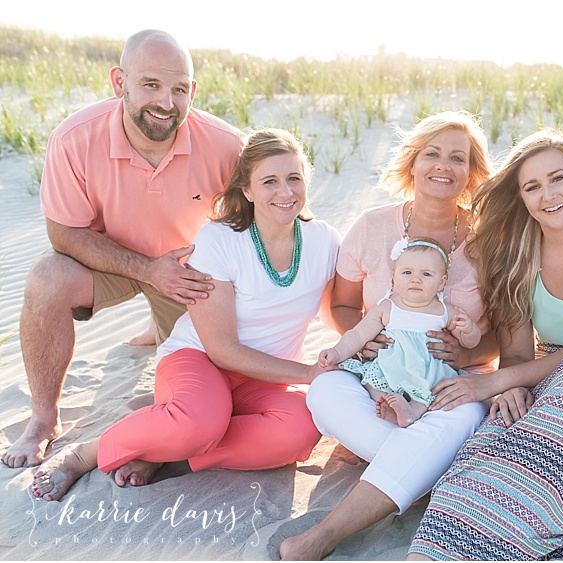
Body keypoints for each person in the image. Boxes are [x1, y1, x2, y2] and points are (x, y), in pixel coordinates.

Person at [31, 128, 340, 501]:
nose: (285, 192)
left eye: (294, 179)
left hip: (269, 374)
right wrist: (308, 374)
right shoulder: (219, 240)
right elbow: (223, 350)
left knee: (300, 431)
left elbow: (336, 309)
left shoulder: (325, 241)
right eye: (269, 181)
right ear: (247, 190)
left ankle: (172, 458)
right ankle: (89, 453)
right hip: (199, 361)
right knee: (197, 422)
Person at [407, 130, 563, 560]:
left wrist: (493, 381)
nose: (548, 195)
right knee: (499, 433)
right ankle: (439, 550)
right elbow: (517, 354)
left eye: (558, 178)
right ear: (523, 198)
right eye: (532, 187)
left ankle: (499, 545)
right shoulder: (516, 255)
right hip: (548, 380)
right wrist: (509, 386)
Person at [1, 29, 244, 469]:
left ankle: (163, 327)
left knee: (211, 390)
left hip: (185, 271)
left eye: (178, 89)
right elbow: (65, 235)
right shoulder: (74, 138)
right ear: (119, 82)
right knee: (46, 277)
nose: (166, 102)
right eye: (150, 84)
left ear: (193, 91)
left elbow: (251, 229)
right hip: (109, 258)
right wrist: (149, 270)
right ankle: (42, 419)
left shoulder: (227, 145)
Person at [279, 111, 497, 560]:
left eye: (458, 158)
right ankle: (422, 469)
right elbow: (341, 304)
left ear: (471, 173)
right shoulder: (374, 225)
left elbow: (505, 331)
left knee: (454, 419)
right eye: (432, 154)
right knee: (324, 390)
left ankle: (325, 533)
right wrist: (363, 339)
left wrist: (469, 346)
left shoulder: (489, 238)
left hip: (451, 383)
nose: (443, 165)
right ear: (412, 164)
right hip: (376, 374)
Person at [319, 236, 482, 428]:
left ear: (441, 282)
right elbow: (358, 335)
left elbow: (469, 343)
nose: (415, 279)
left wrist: (469, 329)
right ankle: (389, 405)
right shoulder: (387, 308)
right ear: (394, 277)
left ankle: (413, 410)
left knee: (431, 392)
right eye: (407, 272)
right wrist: (337, 353)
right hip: (390, 368)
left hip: (425, 372)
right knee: (373, 385)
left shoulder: (445, 311)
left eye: (427, 275)